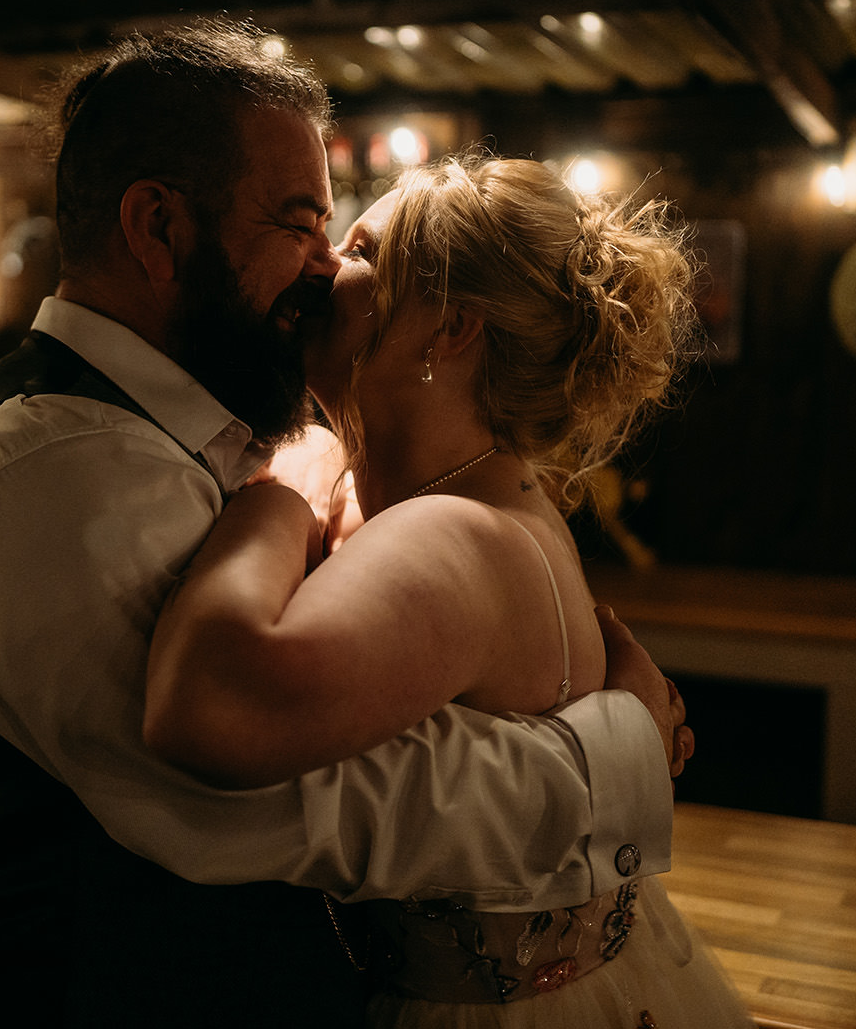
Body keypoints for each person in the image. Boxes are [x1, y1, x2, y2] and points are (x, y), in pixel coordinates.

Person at [0, 20, 692, 1027]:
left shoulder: (245, 447)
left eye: (346, 239)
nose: (320, 269)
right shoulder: (52, 467)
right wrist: (618, 754)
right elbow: (277, 798)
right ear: (159, 229)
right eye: (301, 223)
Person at [146, 156, 752, 1025]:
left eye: (360, 249)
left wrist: (284, 476)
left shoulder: (457, 534)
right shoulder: (407, 493)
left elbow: (217, 704)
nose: (322, 264)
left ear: (449, 326)